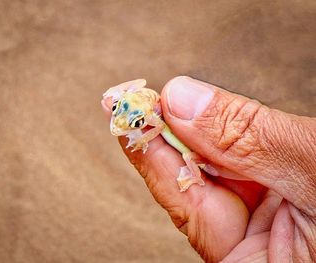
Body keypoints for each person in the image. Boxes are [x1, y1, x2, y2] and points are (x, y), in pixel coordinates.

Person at [102, 76, 316, 262]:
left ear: (146, 114)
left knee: (187, 156)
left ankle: (195, 178)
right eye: (115, 108)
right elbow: (139, 83)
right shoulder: (137, 99)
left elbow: (157, 125)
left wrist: (141, 141)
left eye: (137, 122)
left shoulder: (153, 117)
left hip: (199, 156)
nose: (116, 126)